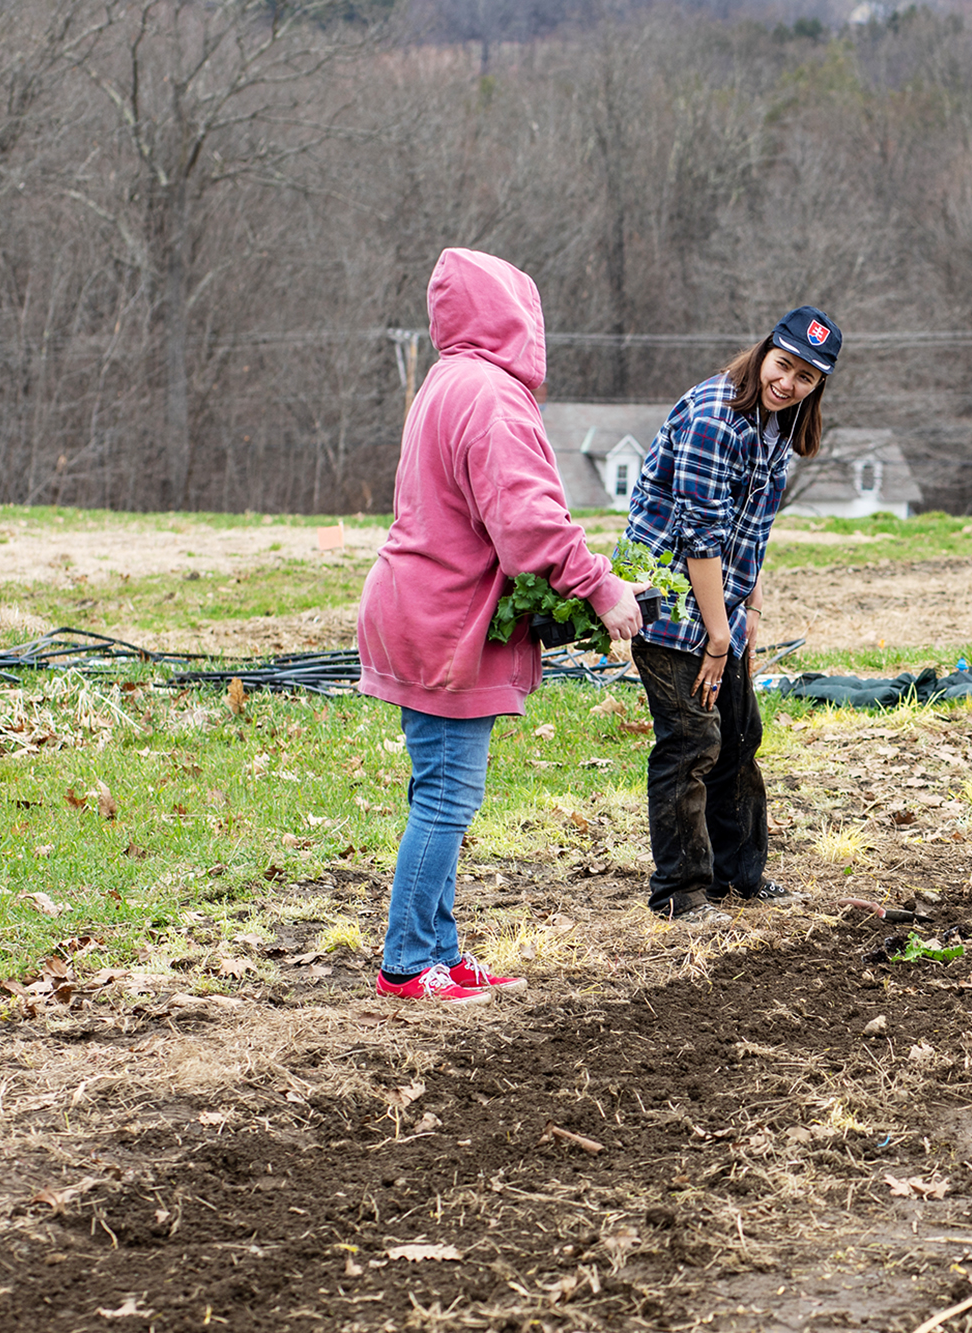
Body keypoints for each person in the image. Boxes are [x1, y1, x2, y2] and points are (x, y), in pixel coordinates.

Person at [358, 248, 649, 1005]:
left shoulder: (447, 380)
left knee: (441, 788)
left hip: (420, 607)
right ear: (518, 315)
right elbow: (528, 526)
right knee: (448, 795)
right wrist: (600, 587)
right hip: (446, 619)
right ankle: (403, 964)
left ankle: (438, 949)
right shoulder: (491, 394)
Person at [620, 306, 841, 925]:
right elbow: (702, 536)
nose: (789, 382)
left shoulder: (777, 426)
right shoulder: (718, 417)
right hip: (667, 600)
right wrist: (719, 636)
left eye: (806, 376)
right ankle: (680, 893)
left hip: (722, 601)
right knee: (692, 741)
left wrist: (750, 605)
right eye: (784, 364)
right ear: (766, 352)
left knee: (739, 737)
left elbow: (750, 527)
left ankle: (740, 877)